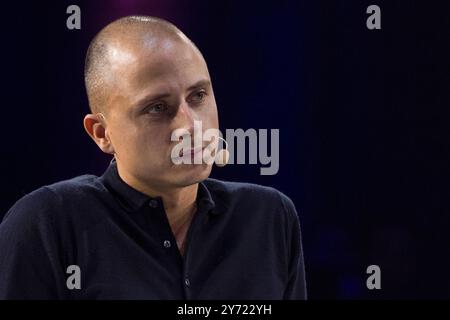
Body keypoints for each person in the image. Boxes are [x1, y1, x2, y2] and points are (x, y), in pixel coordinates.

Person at [0, 15, 306, 299]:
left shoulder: (269, 216)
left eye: (198, 96)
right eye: (157, 107)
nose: (190, 125)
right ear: (101, 133)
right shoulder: (48, 224)